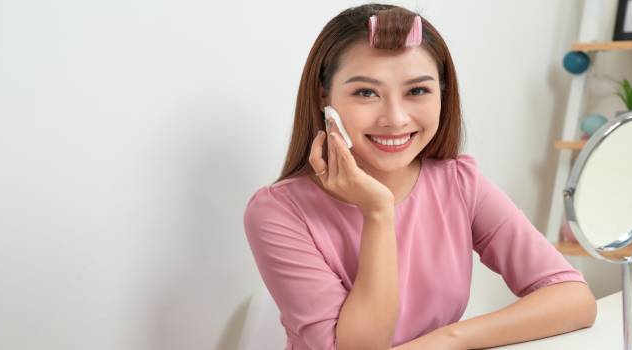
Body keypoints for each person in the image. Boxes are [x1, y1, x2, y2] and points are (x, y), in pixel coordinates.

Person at [243, 4, 596, 350]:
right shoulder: (278, 211)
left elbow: (573, 299)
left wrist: (448, 339)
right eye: (366, 92)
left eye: (417, 91)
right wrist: (377, 211)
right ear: (325, 98)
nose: (395, 118)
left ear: (442, 93)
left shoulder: (459, 182)